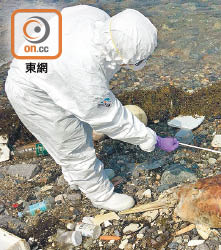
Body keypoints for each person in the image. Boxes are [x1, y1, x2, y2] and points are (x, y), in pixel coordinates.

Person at [6, 5, 179, 211]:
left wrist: (106, 103)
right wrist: (151, 139)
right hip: (35, 94)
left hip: (46, 73)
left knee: (82, 130)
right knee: (74, 147)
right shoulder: (84, 72)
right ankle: (100, 195)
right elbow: (107, 115)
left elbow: (100, 102)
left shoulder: (97, 19)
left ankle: (78, 178)